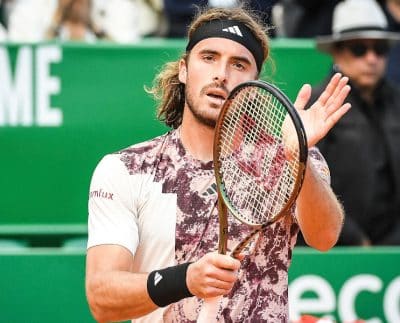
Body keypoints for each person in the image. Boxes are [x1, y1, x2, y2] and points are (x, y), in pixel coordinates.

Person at [85, 5, 351, 322]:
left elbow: (325, 237)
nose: (221, 74)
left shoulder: (289, 157)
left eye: (238, 64)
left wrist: (298, 158)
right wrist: (184, 280)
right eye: (209, 57)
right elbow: (102, 296)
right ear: (183, 69)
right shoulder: (126, 169)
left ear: (254, 84)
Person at [309, 0, 400, 245]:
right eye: (359, 49)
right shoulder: (319, 106)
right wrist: (354, 239)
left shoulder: (397, 102)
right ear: (338, 52)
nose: (371, 59)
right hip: (336, 248)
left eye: (379, 49)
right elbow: (309, 181)